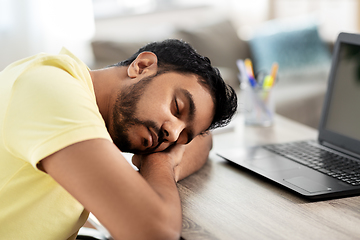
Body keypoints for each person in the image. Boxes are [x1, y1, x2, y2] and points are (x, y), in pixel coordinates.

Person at [0, 39, 237, 240]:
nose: (173, 135)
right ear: (142, 66)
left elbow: (204, 141)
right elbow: (155, 233)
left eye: (182, 137)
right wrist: (162, 162)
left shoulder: (89, 105)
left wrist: (164, 165)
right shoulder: (52, 89)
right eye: (177, 107)